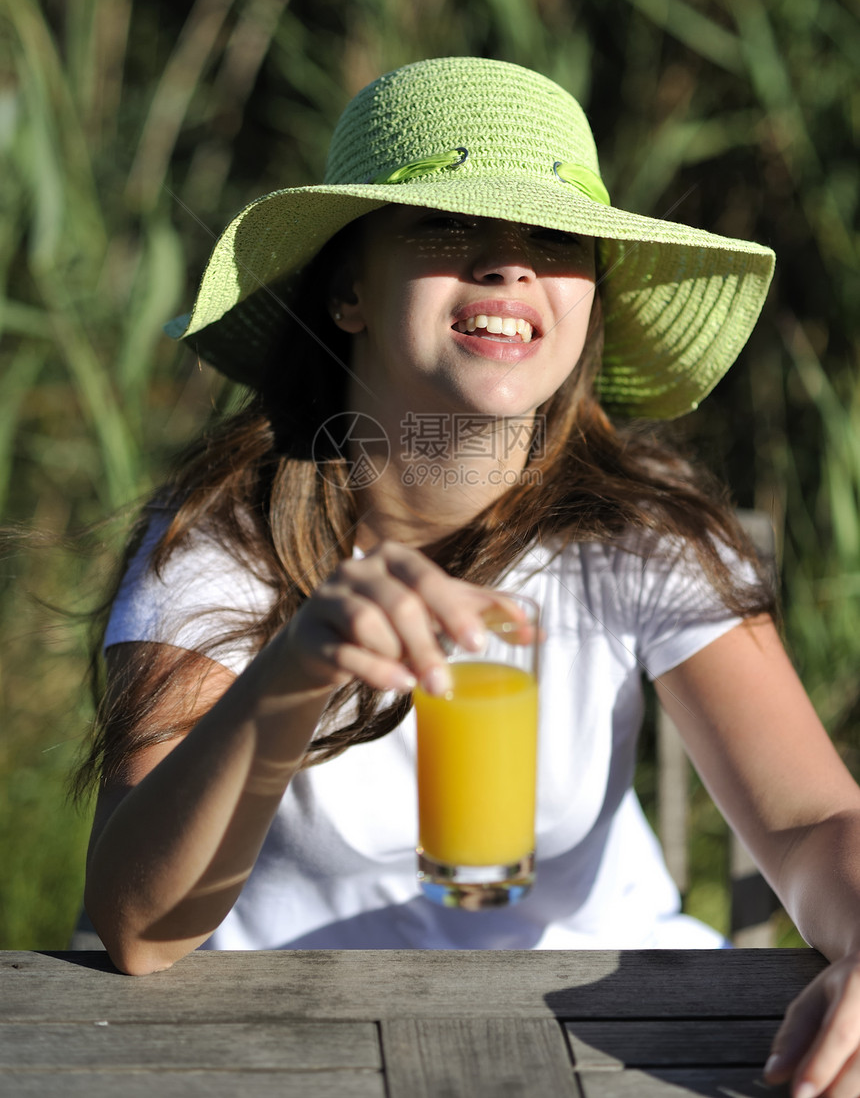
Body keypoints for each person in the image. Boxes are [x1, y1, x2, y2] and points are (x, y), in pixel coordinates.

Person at [79, 57, 860, 1097]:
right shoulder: (223, 542)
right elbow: (136, 928)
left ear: (586, 298)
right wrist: (297, 666)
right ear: (349, 291)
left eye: (551, 239)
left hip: (612, 1033)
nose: (507, 267)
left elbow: (807, 818)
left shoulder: (640, 521)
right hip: (294, 1046)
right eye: (447, 227)